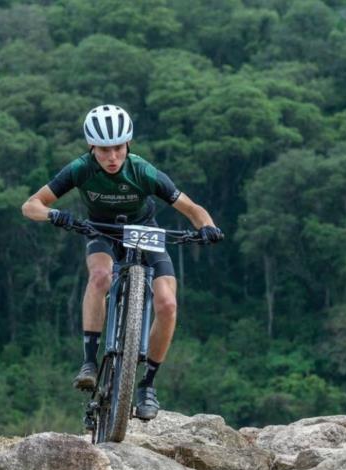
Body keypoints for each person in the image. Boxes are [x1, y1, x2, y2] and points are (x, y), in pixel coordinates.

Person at [22, 104, 222, 420]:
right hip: (102, 230)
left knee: (168, 304)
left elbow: (192, 208)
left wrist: (208, 227)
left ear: (128, 144)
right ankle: (89, 361)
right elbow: (30, 205)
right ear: (92, 147)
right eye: (103, 150)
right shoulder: (80, 169)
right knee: (100, 276)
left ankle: (147, 385)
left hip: (145, 232)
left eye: (118, 148)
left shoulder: (143, 171)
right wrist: (54, 214)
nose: (112, 157)